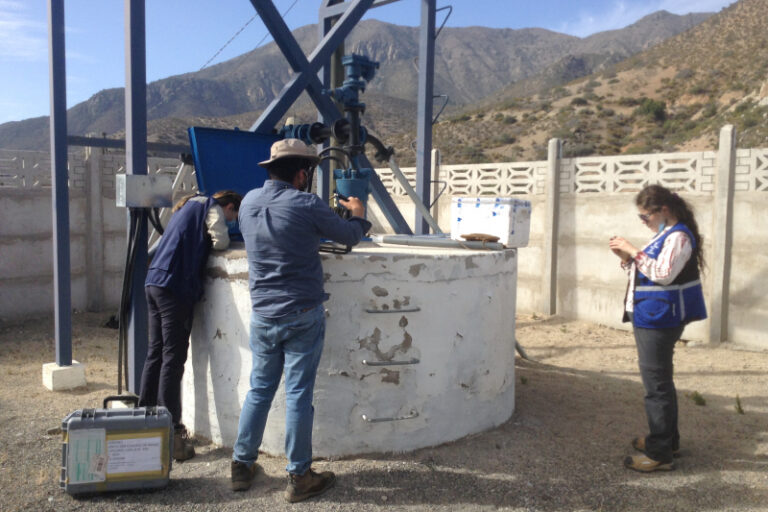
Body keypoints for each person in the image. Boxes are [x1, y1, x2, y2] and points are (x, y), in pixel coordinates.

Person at [230, 139, 371, 502]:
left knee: (259, 389)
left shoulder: (247, 201)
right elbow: (350, 236)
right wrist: (357, 211)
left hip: (262, 314)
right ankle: (299, 475)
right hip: (301, 314)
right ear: (302, 173)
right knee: (297, 394)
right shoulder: (306, 203)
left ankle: (241, 465)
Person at [608, 184, 707, 473]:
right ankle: (667, 441)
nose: (643, 222)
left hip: (661, 318)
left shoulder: (677, 237)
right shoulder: (665, 235)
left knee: (656, 388)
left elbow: (663, 275)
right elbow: (648, 272)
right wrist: (627, 259)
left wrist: (632, 250)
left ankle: (660, 453)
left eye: (645, 216)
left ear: (663, 210)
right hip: (653, 315)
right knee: (661, 382)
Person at [139, 189, 242, 461]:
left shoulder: (185, 206)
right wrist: (223, 231)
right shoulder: (211, 208)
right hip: (175, 287)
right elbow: (220, 242)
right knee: (173, 359)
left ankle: (144, 415)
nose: (231, 219)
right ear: (230, 206)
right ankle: (171, 429)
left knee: (155, 353)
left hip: (154, 282)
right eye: (234, 215)